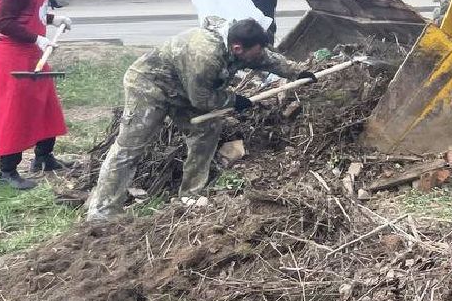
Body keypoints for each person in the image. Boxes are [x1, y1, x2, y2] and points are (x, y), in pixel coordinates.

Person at [83, 20, 311, 221]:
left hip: (183, 88)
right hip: (150, 86)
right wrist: (233, 100)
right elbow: (202, 98)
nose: (258, 56)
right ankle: (103, 210)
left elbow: (266, 59)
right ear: (238, 48)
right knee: (131, 146)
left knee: (207, 129)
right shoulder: (206, 56)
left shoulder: (242, 45)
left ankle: (190, 194)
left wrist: (297, 72)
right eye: (255, 52)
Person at [0, 0, 71, 190]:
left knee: (46, 106)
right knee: (15, 112)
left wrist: (53, 19)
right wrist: (37, 37)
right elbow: (3, 22)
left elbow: (31, 12)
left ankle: (44, 157)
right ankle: (8, 172)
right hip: (12, 57)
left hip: (32, 54)